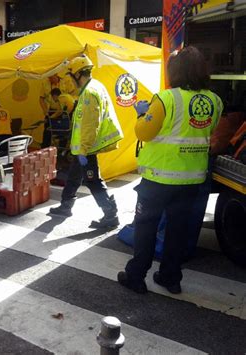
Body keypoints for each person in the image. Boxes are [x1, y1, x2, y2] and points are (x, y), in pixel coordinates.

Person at [118, 46, 223, 295]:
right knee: (178, 231)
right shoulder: (215, 101)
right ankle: (170, 278)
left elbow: (144, 132)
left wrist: (143, 114)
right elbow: (205, 132)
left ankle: (136, 276)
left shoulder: (166, 98)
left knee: (146, 228)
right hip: (192, 181)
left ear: (175, 72)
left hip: (158, 179)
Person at [49, 54, 123, 229]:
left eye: (71, 77)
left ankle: (110, 215)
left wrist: (82, 150)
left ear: (77, 74)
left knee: (93, 180)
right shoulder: (95, 86)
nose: (70, 81)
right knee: (74, 177)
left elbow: (90, 125)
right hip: (82, 148)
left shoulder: (89, 93)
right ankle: (66, 206)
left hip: (86, 149)